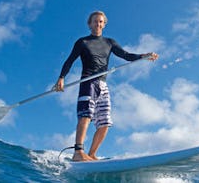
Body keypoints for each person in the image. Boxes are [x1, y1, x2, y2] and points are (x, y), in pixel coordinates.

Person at [54, 11, 159, 162]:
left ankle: (91, 154)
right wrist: (61, 78)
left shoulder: (109, 42)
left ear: (104, 24)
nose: (98, 24)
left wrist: (143, 56)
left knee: (105, 122)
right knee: (85, 116)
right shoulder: (82, 42)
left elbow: (126, 55)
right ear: (89, 24)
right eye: (95, 21)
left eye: (101, 22)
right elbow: (69, 60)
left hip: (103, 85)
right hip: (88, 82)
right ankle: (78, 152)